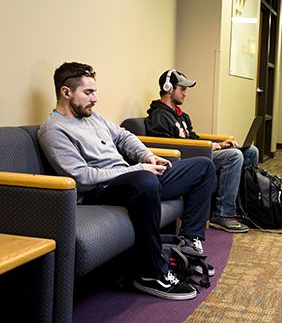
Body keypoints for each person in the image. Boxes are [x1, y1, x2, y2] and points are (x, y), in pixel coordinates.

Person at [38, 62, 216, 301]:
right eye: (88, 93)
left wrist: (146, 156)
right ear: (66, 92)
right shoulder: (53, 130)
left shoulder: (92, 117)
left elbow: (123, 135)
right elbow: (81, 177)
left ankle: (189, 244)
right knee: (144, 181)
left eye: (95, 91)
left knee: (203, 166)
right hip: (100, 190)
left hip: (134, 178)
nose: (95, 99)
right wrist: (139, 169)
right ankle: (150, 274)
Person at [145, 69, 259, 233]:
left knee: (251, 151)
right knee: (233, 156)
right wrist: (211, 147)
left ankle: (245, 208)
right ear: (168, 88)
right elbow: (168, 147)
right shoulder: (158, 116)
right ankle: (223, 214)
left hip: (197, 152)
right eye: (182, 89)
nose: (185, 94)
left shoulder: (182, 116)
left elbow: (192, 138)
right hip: (185, 160)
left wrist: (218, 143)